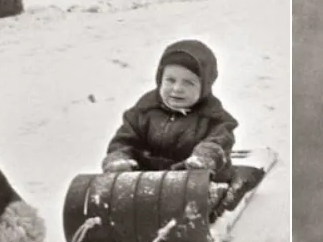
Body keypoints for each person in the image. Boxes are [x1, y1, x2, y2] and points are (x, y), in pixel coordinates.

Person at [102, 39, 238, 182]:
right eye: (170, 80)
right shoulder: (143, 112)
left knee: (201, 185)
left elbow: (218, 141)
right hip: (147, 181)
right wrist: (119, 158)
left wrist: (205, 157)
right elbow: (124, 141)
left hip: (194, 182)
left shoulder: (213, 118)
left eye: (188, 83)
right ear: (160, 80)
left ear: (204, 86)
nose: (177, 88)